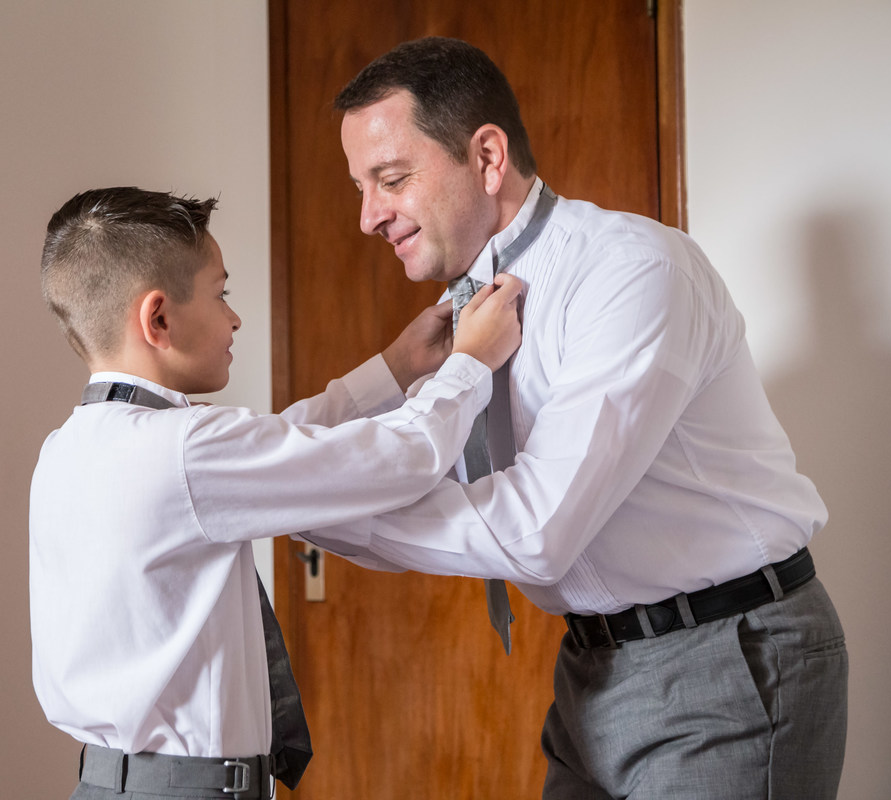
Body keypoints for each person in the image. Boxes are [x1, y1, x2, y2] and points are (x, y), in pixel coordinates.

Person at [300, 37, 849, 798]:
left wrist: (327, 511)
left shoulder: (632, 272)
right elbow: (332, 444)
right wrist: (379, 391)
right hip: (591, 667)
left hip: (723, 659)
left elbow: (538, 532)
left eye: (390, 180)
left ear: (487, 158)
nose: (367, 217)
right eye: (361, 186)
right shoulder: (457, 325)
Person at [28, 186, 522, 800]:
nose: (234, 317)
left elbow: (278, 446)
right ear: (158, 319)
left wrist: (394, 368)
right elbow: (401, 460)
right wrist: (471, 363)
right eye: (221, 293)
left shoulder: (70, 448)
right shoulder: (183, 450)